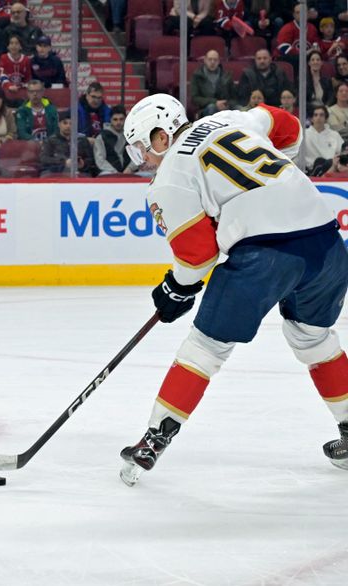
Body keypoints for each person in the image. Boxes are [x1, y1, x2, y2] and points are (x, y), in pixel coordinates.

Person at [118, 93, 348, 486]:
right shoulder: (230, 119)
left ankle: (154, 440)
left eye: (143, 149)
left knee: (206, 347)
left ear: (161, 137)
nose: (144, 161)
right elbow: (284, 123)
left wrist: (175, 290)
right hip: (327, 243)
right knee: (312, 338)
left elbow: (197, 254)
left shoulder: (170, 174)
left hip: (265, 256)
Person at [39, 110, 96, 176]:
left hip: (79, 171)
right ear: (59, 124)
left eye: (71, 123)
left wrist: (83, 163)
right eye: (65, 123)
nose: (68, 126)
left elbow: (91, 159)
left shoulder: (82, 140)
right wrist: (64, 162)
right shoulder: (50, 140)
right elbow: (44, 159)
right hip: (56, 171)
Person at [190, 49, 236, 118]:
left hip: (225, 106)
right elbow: (195, 98)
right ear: (205, 60)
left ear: (219, 61)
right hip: (205, 109)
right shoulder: (197, 75)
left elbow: (234, 97)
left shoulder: (226, 75)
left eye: (215, 60)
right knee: (212, 108)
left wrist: (226, 104)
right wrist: (215, 102)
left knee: (239, 109)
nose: (212, 62)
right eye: (210, 59)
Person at [93, 104, 136, 175]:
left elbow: (137, 156)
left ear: (126, 119)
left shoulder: (132, 135)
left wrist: (130, 168)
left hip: (130, 172)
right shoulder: (101, 137)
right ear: (110, 120)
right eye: (115, 119)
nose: (118, 122)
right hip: (109, 173)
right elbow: (100, 160)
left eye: (121, 119)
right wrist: (114, 172)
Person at [305, 105, 343, 176]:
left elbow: (341, 152)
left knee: (329, 162)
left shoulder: (334, 135)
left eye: (321, 115)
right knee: (319, 161)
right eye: (315, 115)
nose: (318, 117)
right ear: (312, 119)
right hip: (311, 170)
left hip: (332, 168)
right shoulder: (304, 134)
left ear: (326, 119)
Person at [0, 34, 31, 106]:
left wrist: (21, 87)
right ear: (8, 46)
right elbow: (2, 76)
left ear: (21, 46)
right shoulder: (4, 58)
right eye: (11, 43)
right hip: (7, 91)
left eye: (16, 43)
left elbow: (28, 78)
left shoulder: (26, 59)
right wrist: (9, 86)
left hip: (21, 92)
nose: (14, 46)